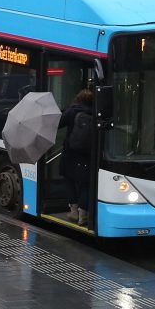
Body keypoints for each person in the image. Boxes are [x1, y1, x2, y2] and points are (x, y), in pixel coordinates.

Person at [56, 85, 97, 225]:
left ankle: (73, 211)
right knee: (85, 184)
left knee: (69, 180)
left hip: (70, 153)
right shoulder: (95, 114)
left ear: (78, 99)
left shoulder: (72, 111)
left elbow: (57, 124)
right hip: (87, 155)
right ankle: (83, 215)